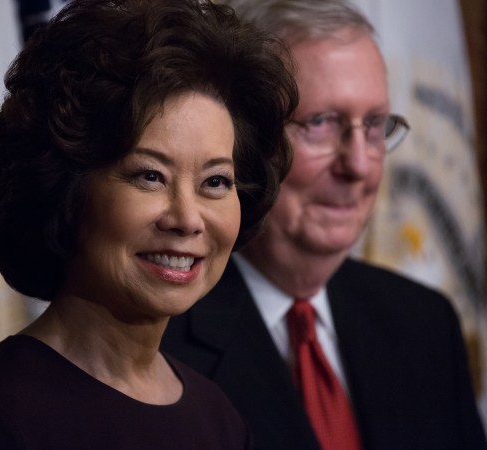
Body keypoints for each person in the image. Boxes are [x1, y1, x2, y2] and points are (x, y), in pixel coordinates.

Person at [0, 0, 298, 448]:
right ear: (67, 189)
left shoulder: (217, 417)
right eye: (150, 176)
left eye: (216, 181)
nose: (187, 218)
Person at [162, 1, 487, 449]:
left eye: (374, 125)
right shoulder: (157, 343)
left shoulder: (425, 324)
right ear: (243, 141)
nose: (359, 165)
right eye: (321, 123)